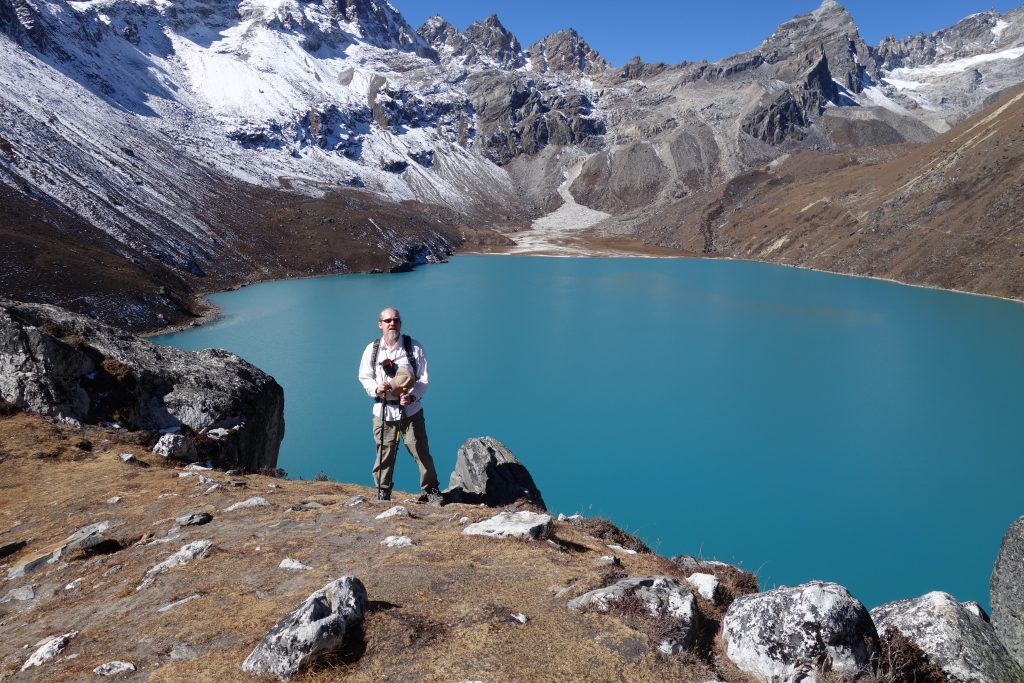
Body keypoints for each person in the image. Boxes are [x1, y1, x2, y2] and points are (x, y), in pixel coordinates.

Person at [357, 307, 441, 503]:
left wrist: (411, 397)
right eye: (387, 321)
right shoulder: (373, 349)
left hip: (411, 410)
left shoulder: (414, 348)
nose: (392, 323)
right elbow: (364, 377)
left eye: (395, 320)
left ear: (400, 323)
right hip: (383, 410)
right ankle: (382, 490)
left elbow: (423, 380)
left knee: (419, 449)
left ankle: (432, 490)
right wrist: (377, 389)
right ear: (380, 324)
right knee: (384, 452)